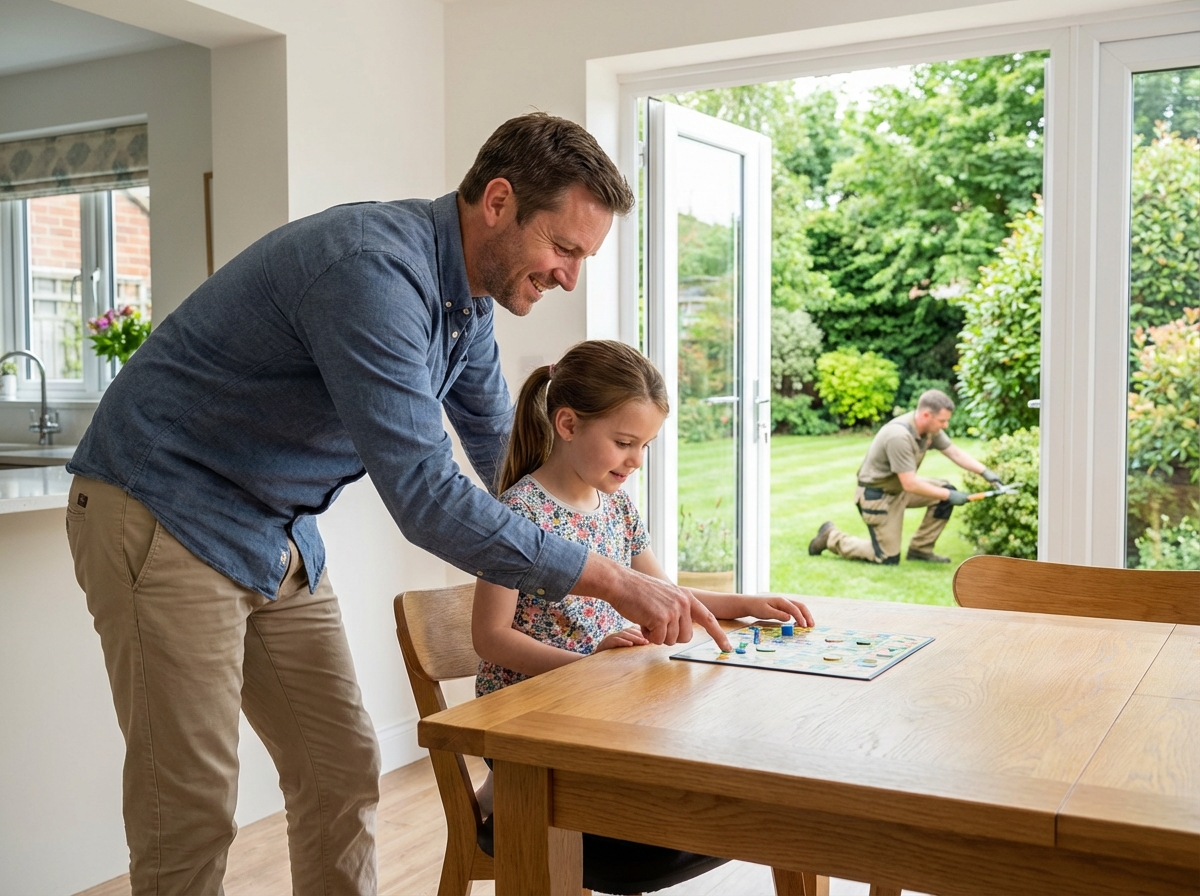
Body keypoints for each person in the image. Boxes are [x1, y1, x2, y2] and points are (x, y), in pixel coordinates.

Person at [64, 113, 730, 895]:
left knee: (341, 769)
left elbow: (507, 470)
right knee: (191, 807)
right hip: (163, 511)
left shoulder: (469, 307)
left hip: (276, 532)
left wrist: (636, 576)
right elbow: (427, 498)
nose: (570, 277)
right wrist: (612, 583)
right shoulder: (372, 272)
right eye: (565, 249)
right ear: (499, 201)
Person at [471, 340, 815, 816]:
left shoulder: (617, 507)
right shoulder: (516, 515)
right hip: (534, 714)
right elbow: (490, 638)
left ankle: (502, 804)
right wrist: (585, 665)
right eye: (624, 443)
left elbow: (664, 594)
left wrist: (747, 603)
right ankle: (507, 801)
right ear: (567, 424)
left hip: (603, 696)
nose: (636, 461)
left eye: (645, 446)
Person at [807, 389, 1003, 565]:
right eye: (942, 420)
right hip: (877, 497)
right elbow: (909, 483)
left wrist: (985, 472)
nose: (946, 425)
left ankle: (921, 550)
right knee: (887, 558)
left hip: (899, 489)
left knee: (946, 492)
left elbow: (954, 452)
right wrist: (948, 496)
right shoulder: (899, 436)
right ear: (926, 415)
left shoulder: (929, 431)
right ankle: (831, 537)